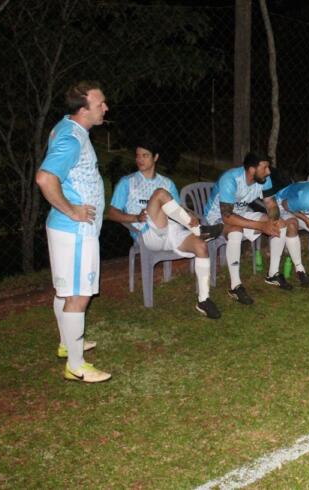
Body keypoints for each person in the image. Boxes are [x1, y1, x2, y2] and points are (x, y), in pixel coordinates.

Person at [35, 81, 111, 382]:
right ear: (82, 110)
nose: (105, 108)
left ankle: (68, 344)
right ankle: (77, 367)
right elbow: (44, 178)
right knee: (79, 295)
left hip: (65, 230)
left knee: (65, 289)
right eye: (99, 104)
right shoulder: (72, 139)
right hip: (75, 230)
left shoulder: (67, 127)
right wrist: (74, 210)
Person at [108, 140, 223, 319]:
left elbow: (177, 209)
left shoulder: (167, 182)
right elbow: (112, 213)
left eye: (145, 155)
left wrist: (188, 214)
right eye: (138, 155)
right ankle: (199, 230)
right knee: (160, 194)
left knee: (201, 246)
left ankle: (203, 300)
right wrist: (134, 218)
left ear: (156, 157)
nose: (140, 159)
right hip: (146, 233)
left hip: (171, 229)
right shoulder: (127, 182)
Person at [203, 152, 284, 304]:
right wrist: (260, 225)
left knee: (280, 224)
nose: (269, 171)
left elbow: (271, 204)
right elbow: (227, 216)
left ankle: (273, 274)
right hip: (216, 219)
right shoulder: (230, 179)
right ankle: (235, 286)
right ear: (252, 169)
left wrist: (272, 222)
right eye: (265, 167)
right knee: (235, 230)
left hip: (240, 214)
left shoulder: (264, 179)